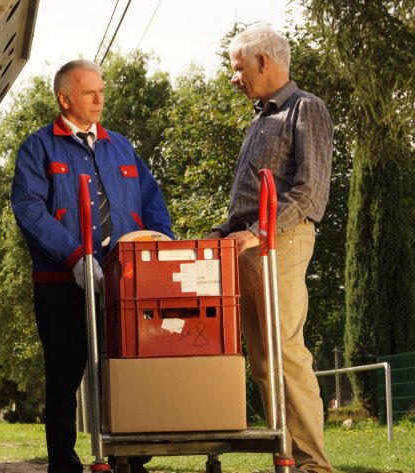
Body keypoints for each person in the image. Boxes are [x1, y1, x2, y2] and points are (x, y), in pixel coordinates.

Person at [11, 59, 173, 473]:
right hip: (61, 283)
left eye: (102, 91)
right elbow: (29, 210)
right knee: (64, 376)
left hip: (124, 282)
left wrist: (161, 248)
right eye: (89, 93)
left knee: (127, 371)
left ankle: (130, 458)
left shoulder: (120, 146)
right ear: (65, 98)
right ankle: (64, 465)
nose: (100, 100)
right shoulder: (38, 148)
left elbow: (152, 202)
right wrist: (74, 258)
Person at [207, 26, 334, 473]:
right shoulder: (260, 119)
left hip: (280, 241)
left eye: (238, 67)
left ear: (263, 61)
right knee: (262, 362)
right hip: (246, 245)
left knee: (285, 353)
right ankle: (287, 457)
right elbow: (245, 198)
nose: (234, 77)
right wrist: (221, 233)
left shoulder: (305, 108)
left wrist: (259, 232)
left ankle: (313, 464)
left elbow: (310, 192)